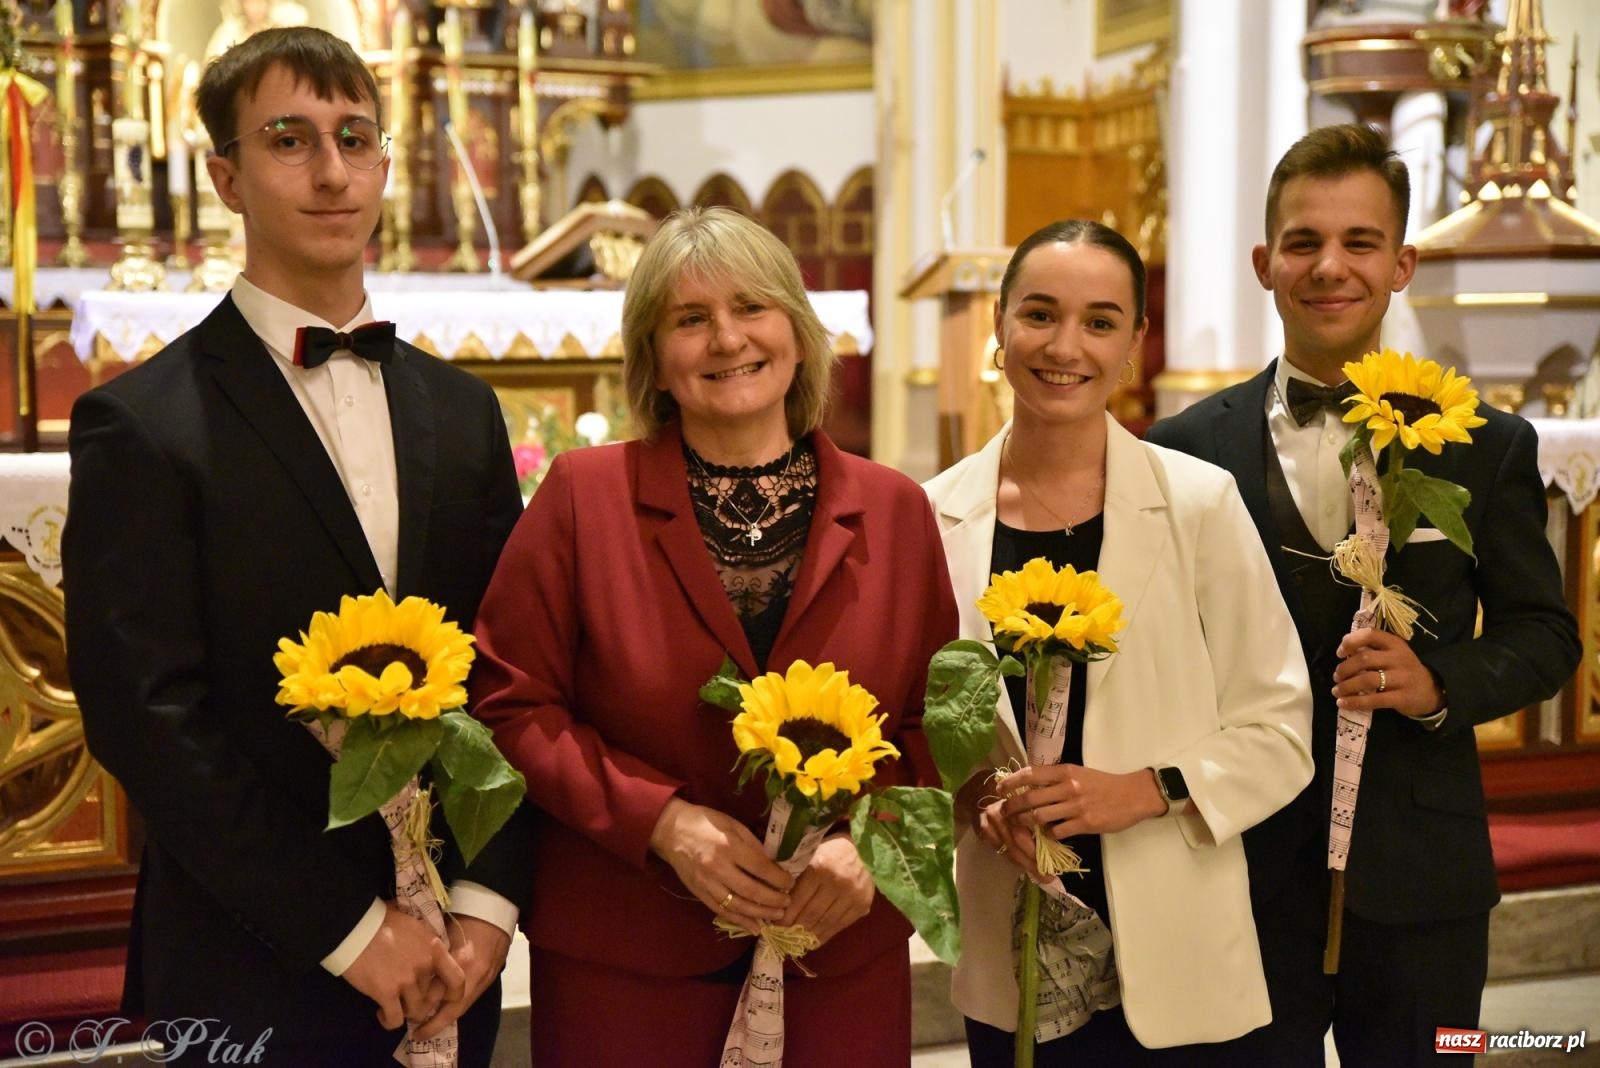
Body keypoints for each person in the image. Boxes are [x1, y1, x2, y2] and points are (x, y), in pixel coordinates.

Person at [63, 27, 528, 1066]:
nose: (330, 171)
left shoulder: (464, 414)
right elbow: (147, 718)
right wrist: (353, 934)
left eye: (353, 138)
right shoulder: (143, 424)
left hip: (458, 958)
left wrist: (489, 907)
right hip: (253, 958)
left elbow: (512, 680)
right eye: (289, 139)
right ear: (224, 176)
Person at [468, 206, 959, 1067]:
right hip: (631, 954)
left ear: (800, 336)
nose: (727, 339)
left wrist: (873, 851)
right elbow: (511, 703)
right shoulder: (583, 498)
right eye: (690, 321)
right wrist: (663, 825)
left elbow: (933, 732)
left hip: (834, 951)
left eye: (752, 309)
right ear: (654, 359)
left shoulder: (895, 510)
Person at [1146, 122, 1581, 1064]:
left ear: (1402, 264)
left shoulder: (1486, 444)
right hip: (1242, 872)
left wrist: (1437, 685)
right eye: (1303, 242)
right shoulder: (1182, 450)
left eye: (1359, 243)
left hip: (1423, 879)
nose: (1329, 266)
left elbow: (1545, 636)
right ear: (1265, 263)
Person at [924, 219, 1315, 1064]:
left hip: (1176, 951)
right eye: (1039, 314)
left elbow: (1281, 732)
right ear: (998, 324)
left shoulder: (1199, 504)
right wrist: (978, 797)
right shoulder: (933, 516)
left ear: (1135, 341)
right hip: (1015, 949)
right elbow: (923, 735)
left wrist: (1146, 787)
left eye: (1100, 321)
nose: (1066, 345)